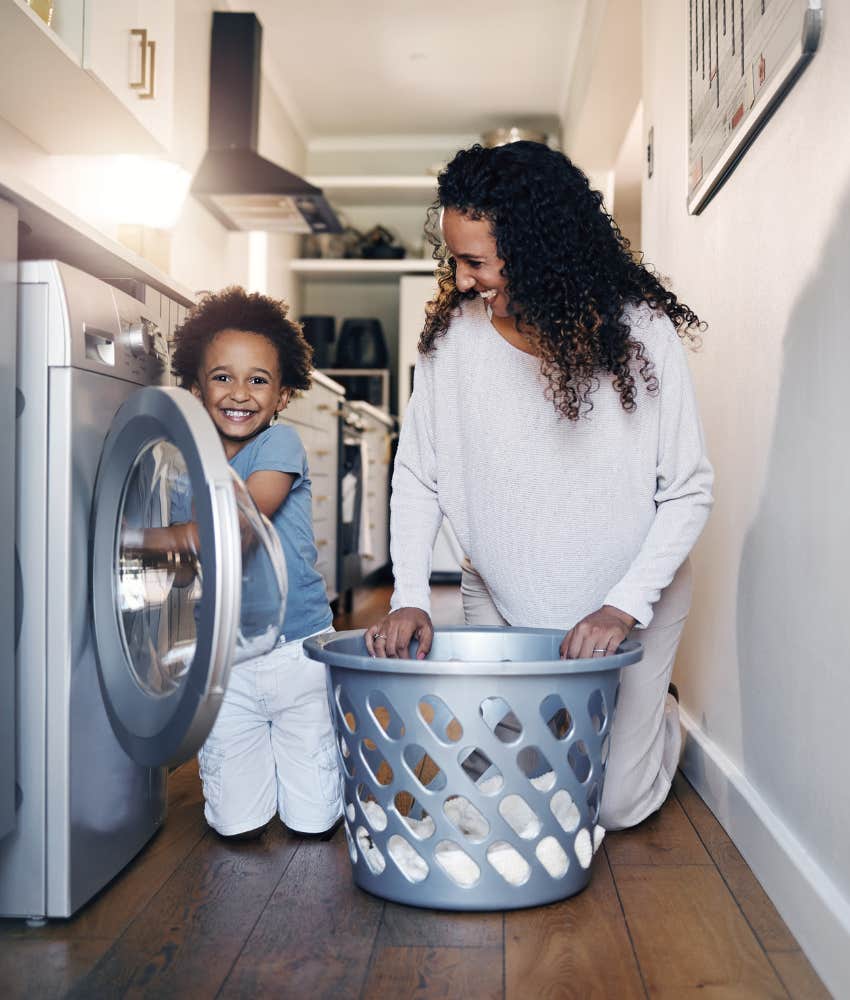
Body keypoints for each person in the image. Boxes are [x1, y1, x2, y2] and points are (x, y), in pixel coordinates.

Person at [365, 141, 713, 830]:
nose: (461, 280)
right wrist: (409, 598)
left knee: (612, 808)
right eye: (455, 260)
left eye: (476, 262)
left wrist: (619, 609)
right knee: (504, 799)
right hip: (504, 599)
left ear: (540, 252)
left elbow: (688, 490)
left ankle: (660, 720)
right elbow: (418, 476)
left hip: (627, 605)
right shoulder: (452, 342)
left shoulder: (641, 333)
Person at [170, 287, 343, 841]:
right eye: (222, 377)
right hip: (226, 660)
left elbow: (237, 526)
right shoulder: (180, 466)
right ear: (197, 388)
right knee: (235, 824)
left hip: (300, 652)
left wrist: (138, 541)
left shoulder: (279, 446)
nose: (239, 392)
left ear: (283, 395)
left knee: (313, 821)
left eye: (258, 380)